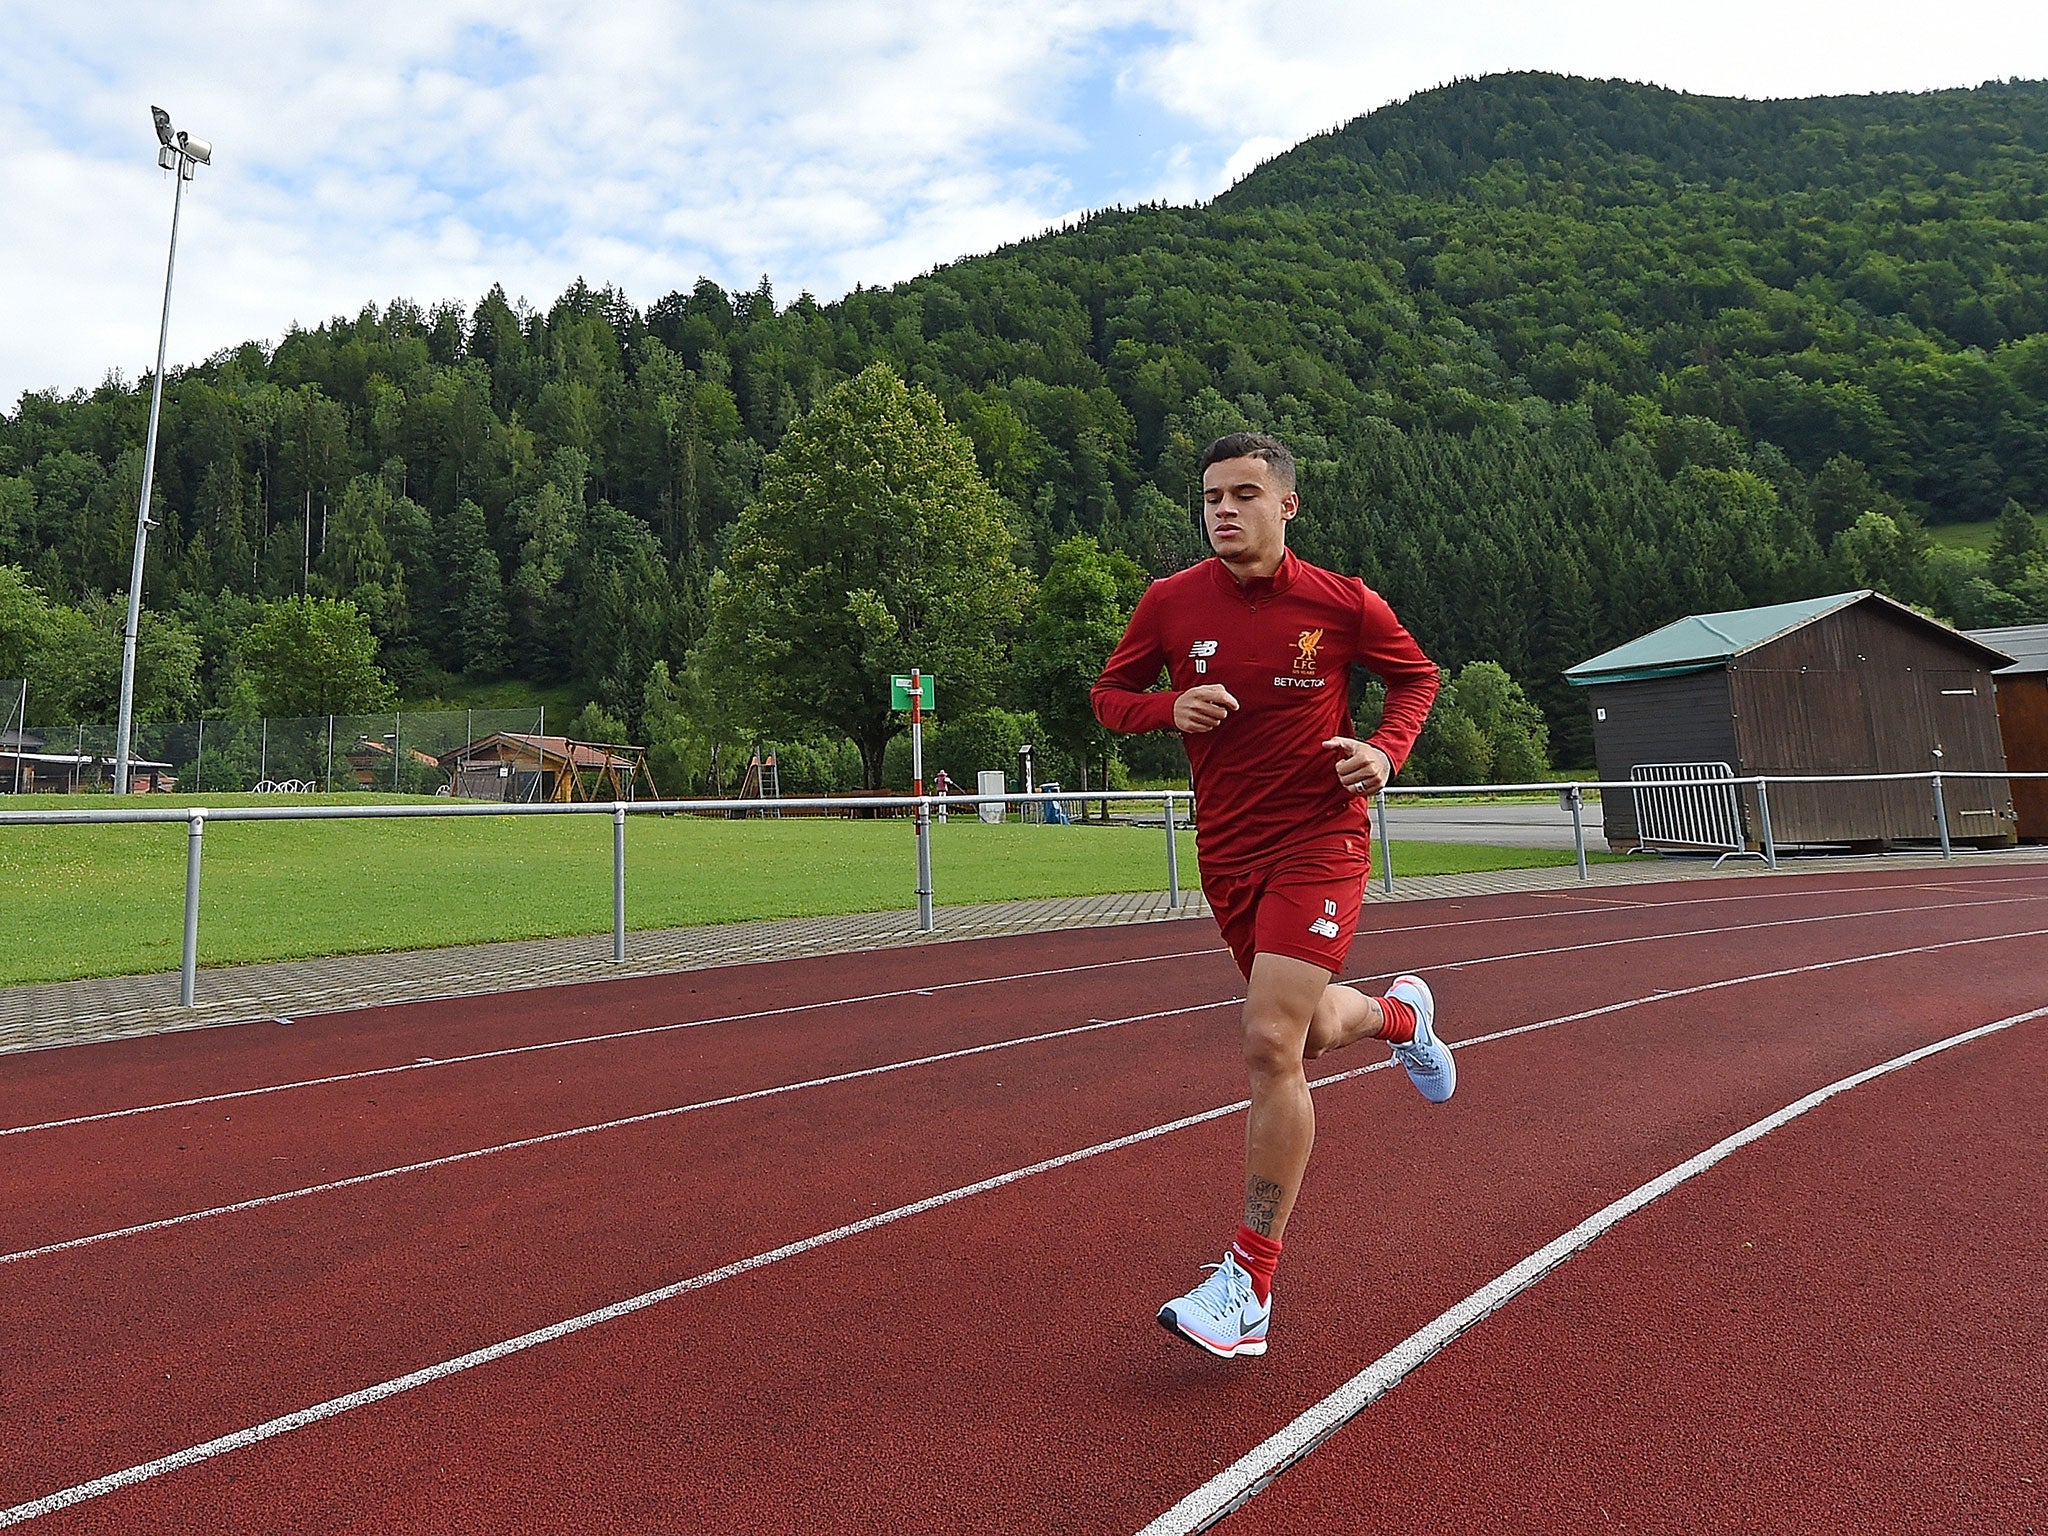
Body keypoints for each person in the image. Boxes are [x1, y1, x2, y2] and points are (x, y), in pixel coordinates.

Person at [1091, 431, 1451, 1359]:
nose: (1223, 509)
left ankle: (1248, 1284)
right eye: (1211, 495)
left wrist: (1384, 751)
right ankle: (1401, 1020)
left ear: (1286, 505)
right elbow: (1108, 695)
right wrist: (1165, 707)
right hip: (1229, 854)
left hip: (1320, 841)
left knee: (1264, 1043)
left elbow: (1416, 676)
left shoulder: (1340, 604)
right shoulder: (1171, 604)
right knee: (1308, 1030)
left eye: (1245, 493)